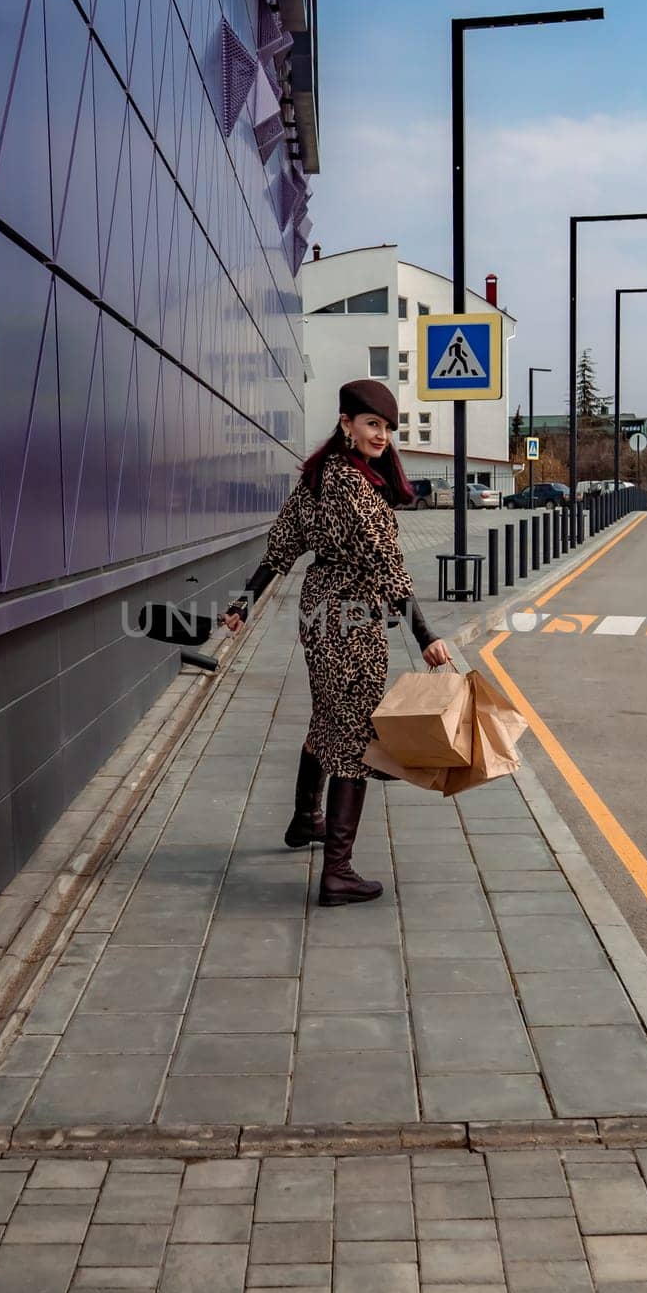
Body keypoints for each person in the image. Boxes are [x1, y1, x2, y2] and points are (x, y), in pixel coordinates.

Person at [220, 379, 450, 907]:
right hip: (353, 621)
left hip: (320, 613)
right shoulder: (352, 484)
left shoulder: (318, 478)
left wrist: (244, 604)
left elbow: (281, 548)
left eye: (388, 429)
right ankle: (338, 873)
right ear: (346, 423)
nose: (382, 436)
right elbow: (387, 564)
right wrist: (425, 635)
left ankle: (306, 819)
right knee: (355, 740)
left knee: (329, 717)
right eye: (373, 424)